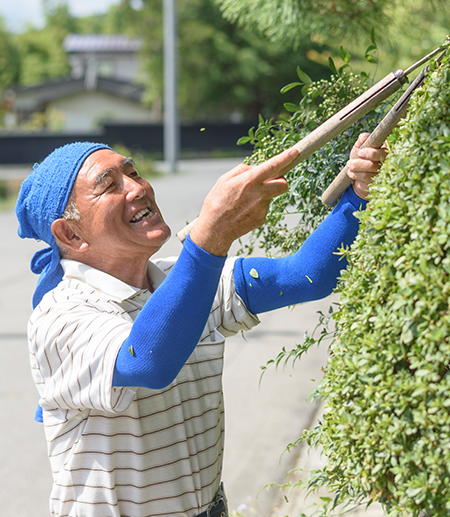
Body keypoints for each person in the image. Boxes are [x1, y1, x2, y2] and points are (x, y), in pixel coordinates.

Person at [15, 133, 385, 517]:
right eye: (109, 185)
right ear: (70, 234)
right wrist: (210, 238)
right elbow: (146, 361)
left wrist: (358, 194)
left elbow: (308, 275)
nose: (138, 188)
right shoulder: (60, 316)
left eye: (133, 172)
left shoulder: (184, 278)